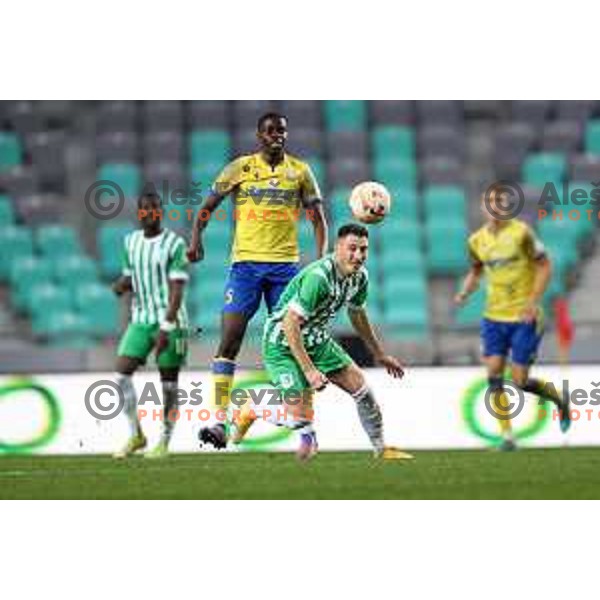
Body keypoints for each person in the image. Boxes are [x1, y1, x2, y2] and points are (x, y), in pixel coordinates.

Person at [187, 112, 328, 448]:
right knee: (230, 341)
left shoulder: (301, 171)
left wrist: (321, 260)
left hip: (285, 270)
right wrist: (196, 239)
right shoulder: (240, 168)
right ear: (259, 135)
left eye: (281, 130)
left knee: (293, 344)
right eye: (270, 130)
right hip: (246, 267)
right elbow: (207, 206)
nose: (277, 135)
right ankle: (219, 423)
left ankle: (302, 425)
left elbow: (318, 219)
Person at [231, 223, 413, 461]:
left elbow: (357, 314)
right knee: (300, 416)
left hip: (316, 339)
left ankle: (381, 450)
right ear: (337, 248)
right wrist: (309, 371)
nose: (358, 256)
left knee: (363, 390)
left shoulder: (360, 278)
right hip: (282, 342)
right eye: (352, 248)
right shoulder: (319, 278)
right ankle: (252, 409)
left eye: (363, 250)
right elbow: (290, 323)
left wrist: (379, 353)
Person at [454, 188, 571, 451]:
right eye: (490, 202)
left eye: (500, 201)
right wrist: (465, 291)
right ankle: (507, 436)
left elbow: (545, 265)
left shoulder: (522, 233)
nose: (496, 206)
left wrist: (533, 301)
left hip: (523, 317)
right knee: (494, 372)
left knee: (519, 380)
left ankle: (558, 397)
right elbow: (476, 271)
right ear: (484, 208)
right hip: (493, 317)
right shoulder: (477, 241)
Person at [112, 192, 190, 459]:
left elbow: (177, 290)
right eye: (144, 208)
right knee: (121, 375)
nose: (149, 212)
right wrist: (121, 285)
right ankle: (137, 435)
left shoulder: (174, 244)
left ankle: (164, 441)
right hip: (141, 320)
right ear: (138, 213)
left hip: (171, 322)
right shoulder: (130, 242)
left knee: (168, 384)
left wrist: (166, 328)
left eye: (154, 208)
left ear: (161, 212)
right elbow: (129, 276)